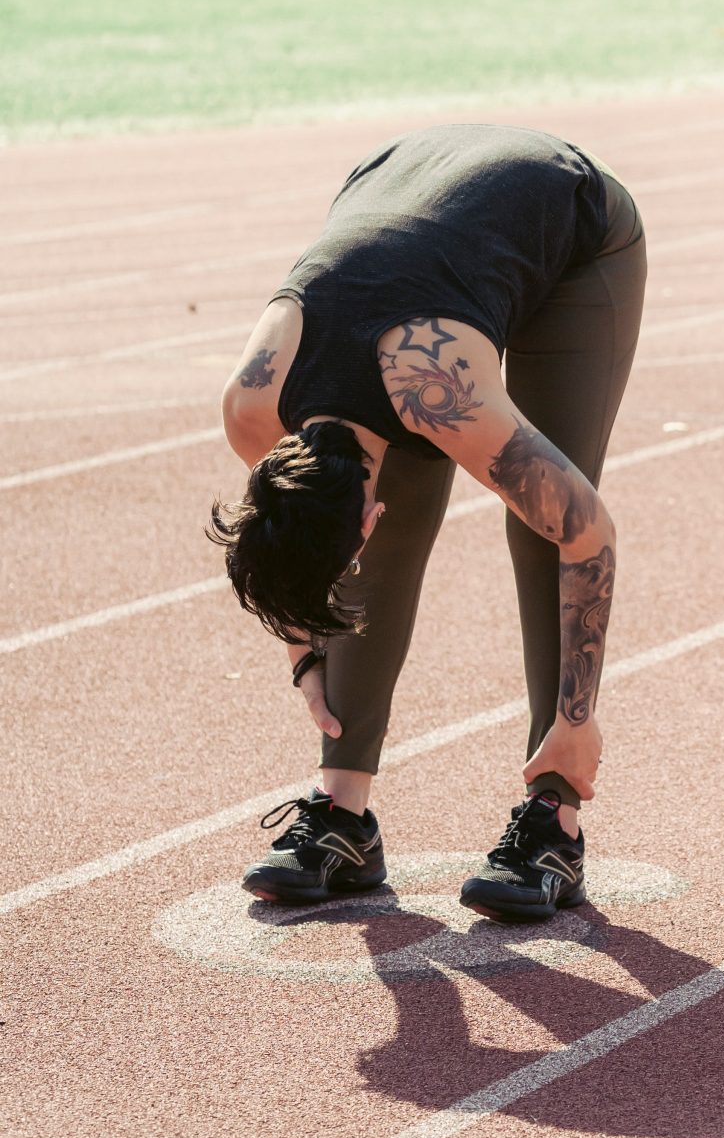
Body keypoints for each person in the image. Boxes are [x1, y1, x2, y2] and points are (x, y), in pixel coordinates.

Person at [213, 124, 646, 922]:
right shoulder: (254, 407)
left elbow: (590, 536)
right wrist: (302, 657)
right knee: (384, 535)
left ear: (362, 509)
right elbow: (286, 544)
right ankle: (341, 812)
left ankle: (555, 820)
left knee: (542, 526)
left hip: (560, 219)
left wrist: (576, 724)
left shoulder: (438, 386)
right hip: (400, 191)